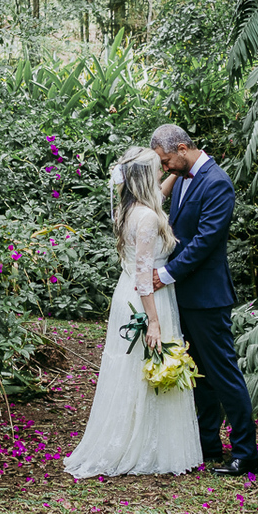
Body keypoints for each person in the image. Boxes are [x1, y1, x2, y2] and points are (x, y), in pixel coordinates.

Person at [63, 146, 202, 478]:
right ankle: (145, 446)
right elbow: (144, 276)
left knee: (132, 370)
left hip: (128, 294)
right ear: (144, 179)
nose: (161, 174)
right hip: (147, 298)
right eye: (157, 169)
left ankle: (137, 437)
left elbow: (158, 192)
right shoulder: (149, 218)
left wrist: (176, 169)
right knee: (150, 365)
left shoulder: (128, 211)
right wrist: (153, 321)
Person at [150, 124, 258, 476]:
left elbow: (205, 241)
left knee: (224, 374)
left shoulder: (217, 183)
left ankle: (245, 453)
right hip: (186, 296)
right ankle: (208, 443)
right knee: (200, 376)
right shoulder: (182, 178)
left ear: (183, 148)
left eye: (166, 160)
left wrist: (166, 274)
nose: (165, 168)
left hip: (208, 298)